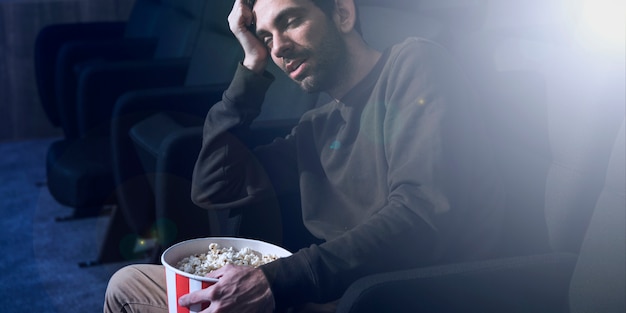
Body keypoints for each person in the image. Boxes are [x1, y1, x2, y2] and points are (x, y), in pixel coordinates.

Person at [104, 0, 505, 312]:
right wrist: (251, 67)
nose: (278, 47)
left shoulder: (414, 64)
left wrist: (275, 281)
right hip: (321, 293)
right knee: (128, 284)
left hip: (396, 297)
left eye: (291, 20)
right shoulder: (319, 126)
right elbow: (214, 186)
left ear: (343, 13)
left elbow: (420, 215)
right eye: (265, 36)